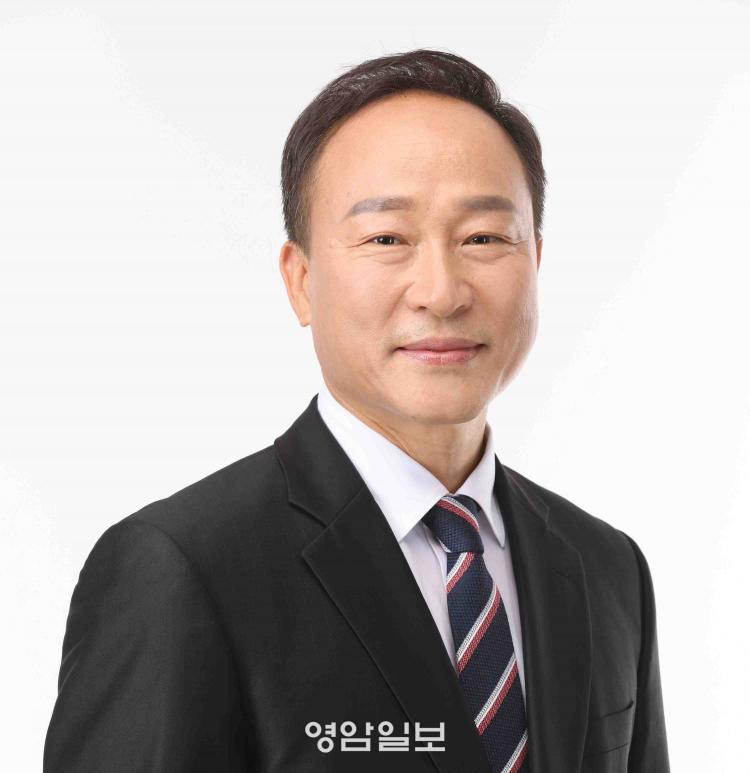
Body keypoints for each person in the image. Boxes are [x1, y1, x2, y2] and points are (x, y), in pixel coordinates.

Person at [44, 48, 670, 772]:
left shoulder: (607, 568)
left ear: (535, 260)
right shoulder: (181, 568)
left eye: (483, 238)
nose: (442, 292)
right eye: (386, 239)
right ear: (301, 280)